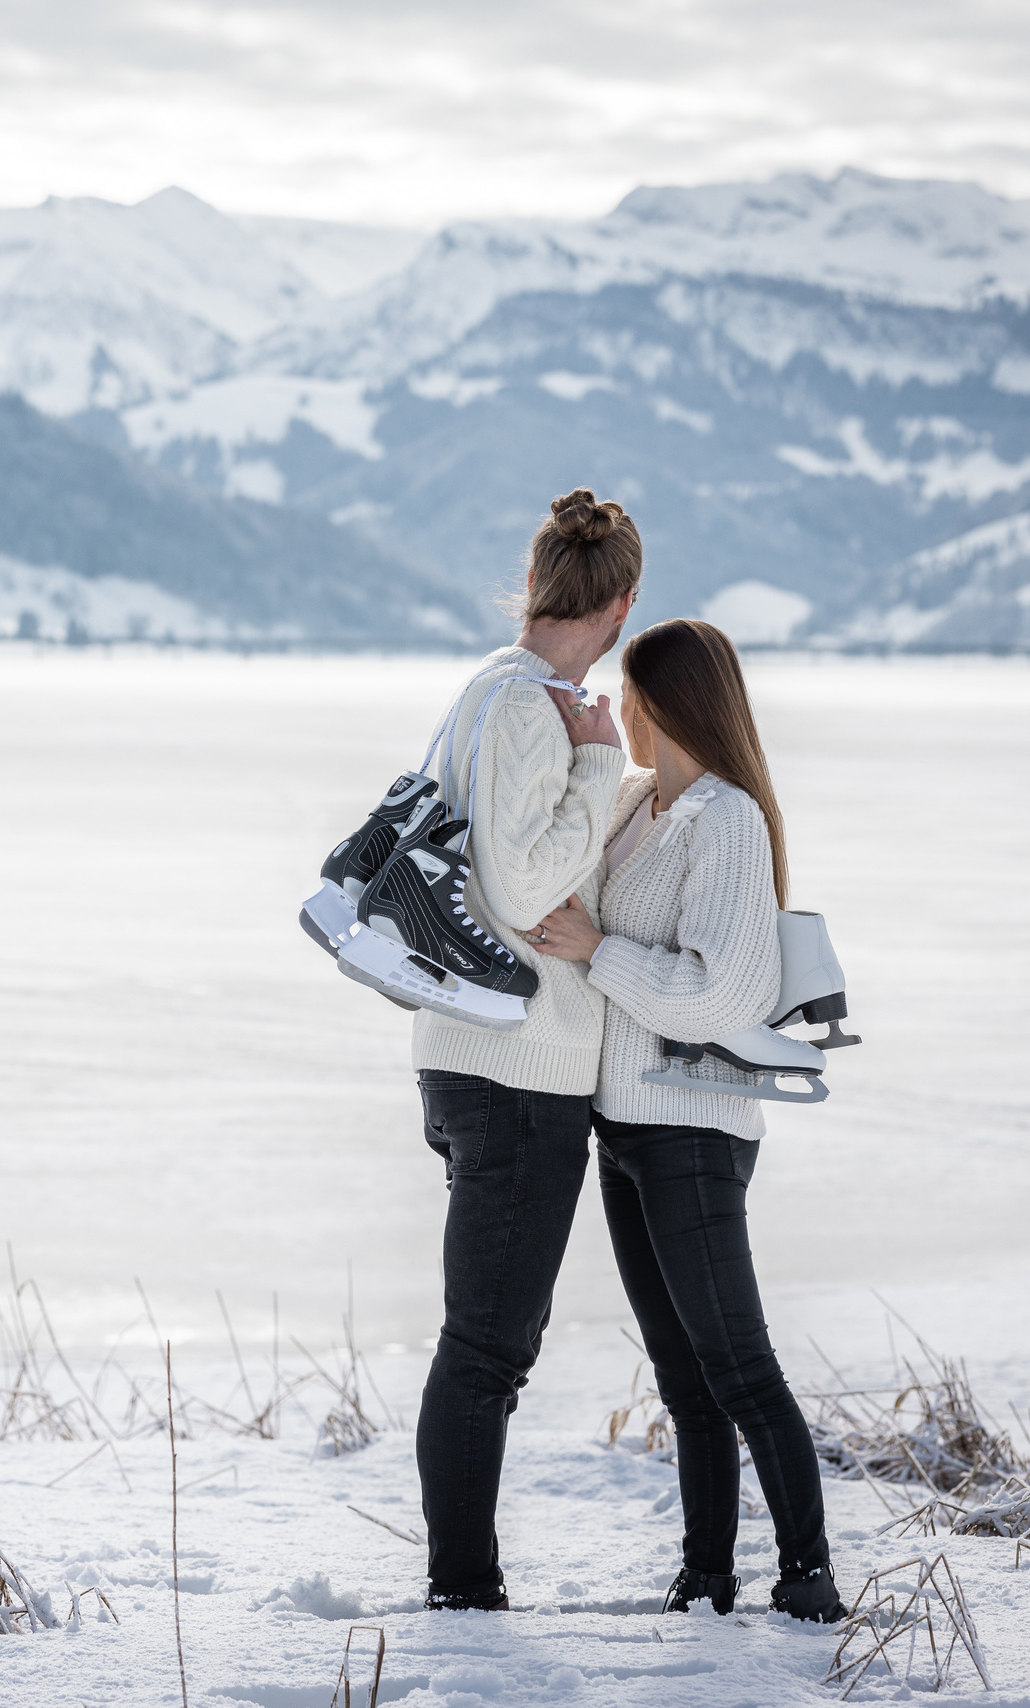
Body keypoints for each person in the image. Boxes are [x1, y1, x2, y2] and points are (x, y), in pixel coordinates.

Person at [527, 618, 846, 1624]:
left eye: (626, 694)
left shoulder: (727, 821)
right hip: (624, 1129)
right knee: (684, 1378)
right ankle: (705, 1576)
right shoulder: (638, 805)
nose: (619, 710)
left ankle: (808, 1576)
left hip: (694, 1132)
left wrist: (596, 951)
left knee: (739, 1368)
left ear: (662, 702)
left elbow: (722, 995)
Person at [413, 488, 638, 1612]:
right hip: (513, 1068)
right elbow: (519, 887)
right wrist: (600, 770)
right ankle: (464, 1592)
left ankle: (465, 1582)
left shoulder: (493, 694)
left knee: (489, 1340)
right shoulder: (523, 706)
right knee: (487, 1348)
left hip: (480, 1054)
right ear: (622, 604)